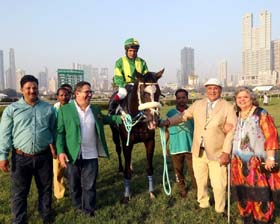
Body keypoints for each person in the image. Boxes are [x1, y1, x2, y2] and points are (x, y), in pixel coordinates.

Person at [160, 78, 237, 215]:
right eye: (209, 88)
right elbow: (183, 116)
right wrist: (167, 122)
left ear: (220, 90)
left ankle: (220, 209)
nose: (212, 91)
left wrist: (226, 152)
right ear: (206, 90)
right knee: (200, 181)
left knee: (219, 184)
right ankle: (203, 203)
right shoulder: (198, 104)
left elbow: (231, 131)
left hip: (217, 153)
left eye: (215, 88)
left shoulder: (228, 106)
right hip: (198, 151)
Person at [56, 81, 123, 217]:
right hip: (72, 154)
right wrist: (61, 151)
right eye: (86, 92)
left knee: (90, 185)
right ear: (77, 94)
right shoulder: (65, 110)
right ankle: (77, 206)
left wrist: (122, 118)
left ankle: (88, 209)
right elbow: (60, 133)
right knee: (74, 185)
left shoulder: (95, 109)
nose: (89, 95)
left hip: (91, 154)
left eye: (90, 92)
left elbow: (106, 119)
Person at [0, 75, 56, 224]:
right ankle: (19, 220)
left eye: (35, 88)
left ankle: (46, 215)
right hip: (20, 158)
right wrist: (3, 156)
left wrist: (56, 148)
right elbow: (4, 134)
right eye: (28, 88)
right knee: (19, 193)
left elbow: (54, 130)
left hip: (43, 157)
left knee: (45, 189)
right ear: (22, 90)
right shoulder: (12, 110)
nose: (32, 91)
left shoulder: (48, 108)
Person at [231, 86, 279, 224]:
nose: (242, 100)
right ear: (235, 100)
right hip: (238, 163)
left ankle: (262, 219)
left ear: (252, 98)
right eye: (239, 98)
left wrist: (270, 157)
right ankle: (248, 219)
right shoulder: (236, 115)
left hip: (256, 163)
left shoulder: (261, 113)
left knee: (259, 193)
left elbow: (271, 136)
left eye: (245, 97)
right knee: (243, 193)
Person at [165, 89, 196, 198]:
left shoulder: (192, 113)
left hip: (191, 147)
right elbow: (166, 130)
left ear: (187, 98)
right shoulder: (170, 113)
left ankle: (197, 188)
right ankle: (182, 189)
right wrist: (165, 145)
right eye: (179, 98)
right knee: (178, 171)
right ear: (176, 99)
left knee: (194, 170)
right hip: (176, 148)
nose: (181, 100)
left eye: (183, 97)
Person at [109, 37, 148, 114]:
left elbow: (146, 76)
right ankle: (111, 110)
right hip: (125, 86)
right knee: (122, 94)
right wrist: (124, 85)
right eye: (130, 51)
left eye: (135, 51)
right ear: (126, 50)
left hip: (139, 86)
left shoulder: (142, 62)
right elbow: (118, 76)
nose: (132, 53)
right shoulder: (120, 62)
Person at [51, 87, 71, 201]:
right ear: (57, 97)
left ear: (70, 96)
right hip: (58, 143)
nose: (64, 97)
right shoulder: (54, 109)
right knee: (57, 170)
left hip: (71, 143)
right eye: (61, 95)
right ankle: (59, 194)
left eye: (66, 95)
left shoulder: (74, 108)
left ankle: (75, 188)